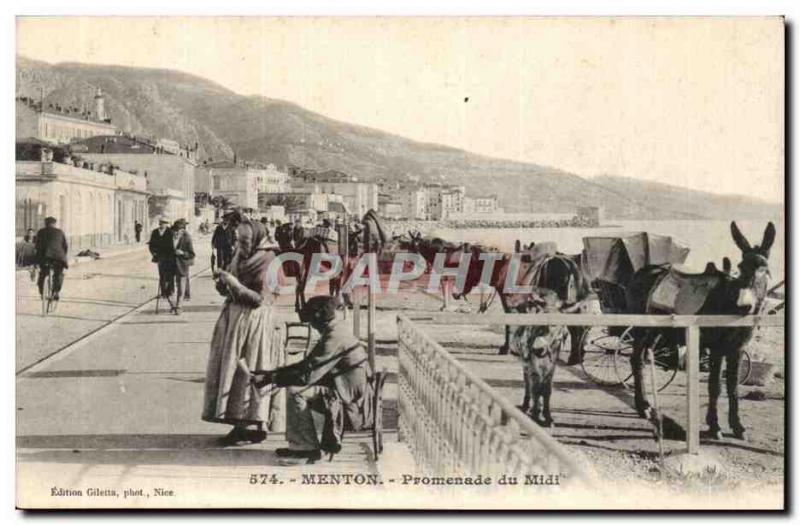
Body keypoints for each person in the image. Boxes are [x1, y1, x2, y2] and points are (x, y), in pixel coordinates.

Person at [251, 296, 374, 464]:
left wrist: (272, 378)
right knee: (295, 387)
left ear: (319, 318)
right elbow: (307, 365)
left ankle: (306, 448)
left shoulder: (333, 337)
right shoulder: (336, 329)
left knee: (295, 392)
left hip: (350, 399)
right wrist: (271, 373)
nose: (311, 326)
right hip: (346, 388)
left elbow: (308, 376)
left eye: (310, 321)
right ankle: (301, 445)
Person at [203, 211, 284, 445]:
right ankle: (240, 424)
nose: (241, 244)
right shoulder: (240, 254)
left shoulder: (270, 261)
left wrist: (233, 283)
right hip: (236, 320)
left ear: (258, 240)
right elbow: (231, 284)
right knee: (233, 371)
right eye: (239, 240)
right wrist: (222, 283)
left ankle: (254, 425)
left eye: (246, 241)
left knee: (251, 370)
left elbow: (259, 299)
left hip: (257, 324)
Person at [34, 217, 69, 301]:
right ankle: (56, 292)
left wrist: (37, 258)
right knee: (58, 273)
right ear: (54, 224)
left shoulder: (40, 232)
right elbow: (65, 246)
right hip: (58, 257)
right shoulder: (60, 232)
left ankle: (42, 293)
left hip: (45, 257)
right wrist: (63, 256)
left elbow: (36, 246)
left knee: (43, 273)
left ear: (45, 223)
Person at [148, 217, 177, 303]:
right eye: (161, 223)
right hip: (160, 257)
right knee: (162, 274)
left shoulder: (170, 232)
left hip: (170, 256)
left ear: (166, 224)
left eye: (164, 223)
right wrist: (153, 252)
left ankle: (171, 291)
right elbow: (151, 244)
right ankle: (163, 292)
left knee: (170, 274)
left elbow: (174, 245)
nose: (162, 225)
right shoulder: (155, 232)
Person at [172, 218, 195, 312]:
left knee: (181, 287)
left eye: (179, 230)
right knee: (168, 286)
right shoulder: (169, 237)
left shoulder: (187, 237)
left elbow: (192, 254)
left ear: (183, 230)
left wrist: (182, 253)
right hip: (171, 264)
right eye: (175, 230)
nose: (177, 232)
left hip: (182, 265)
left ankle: (178, 307)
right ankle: (172, 305)